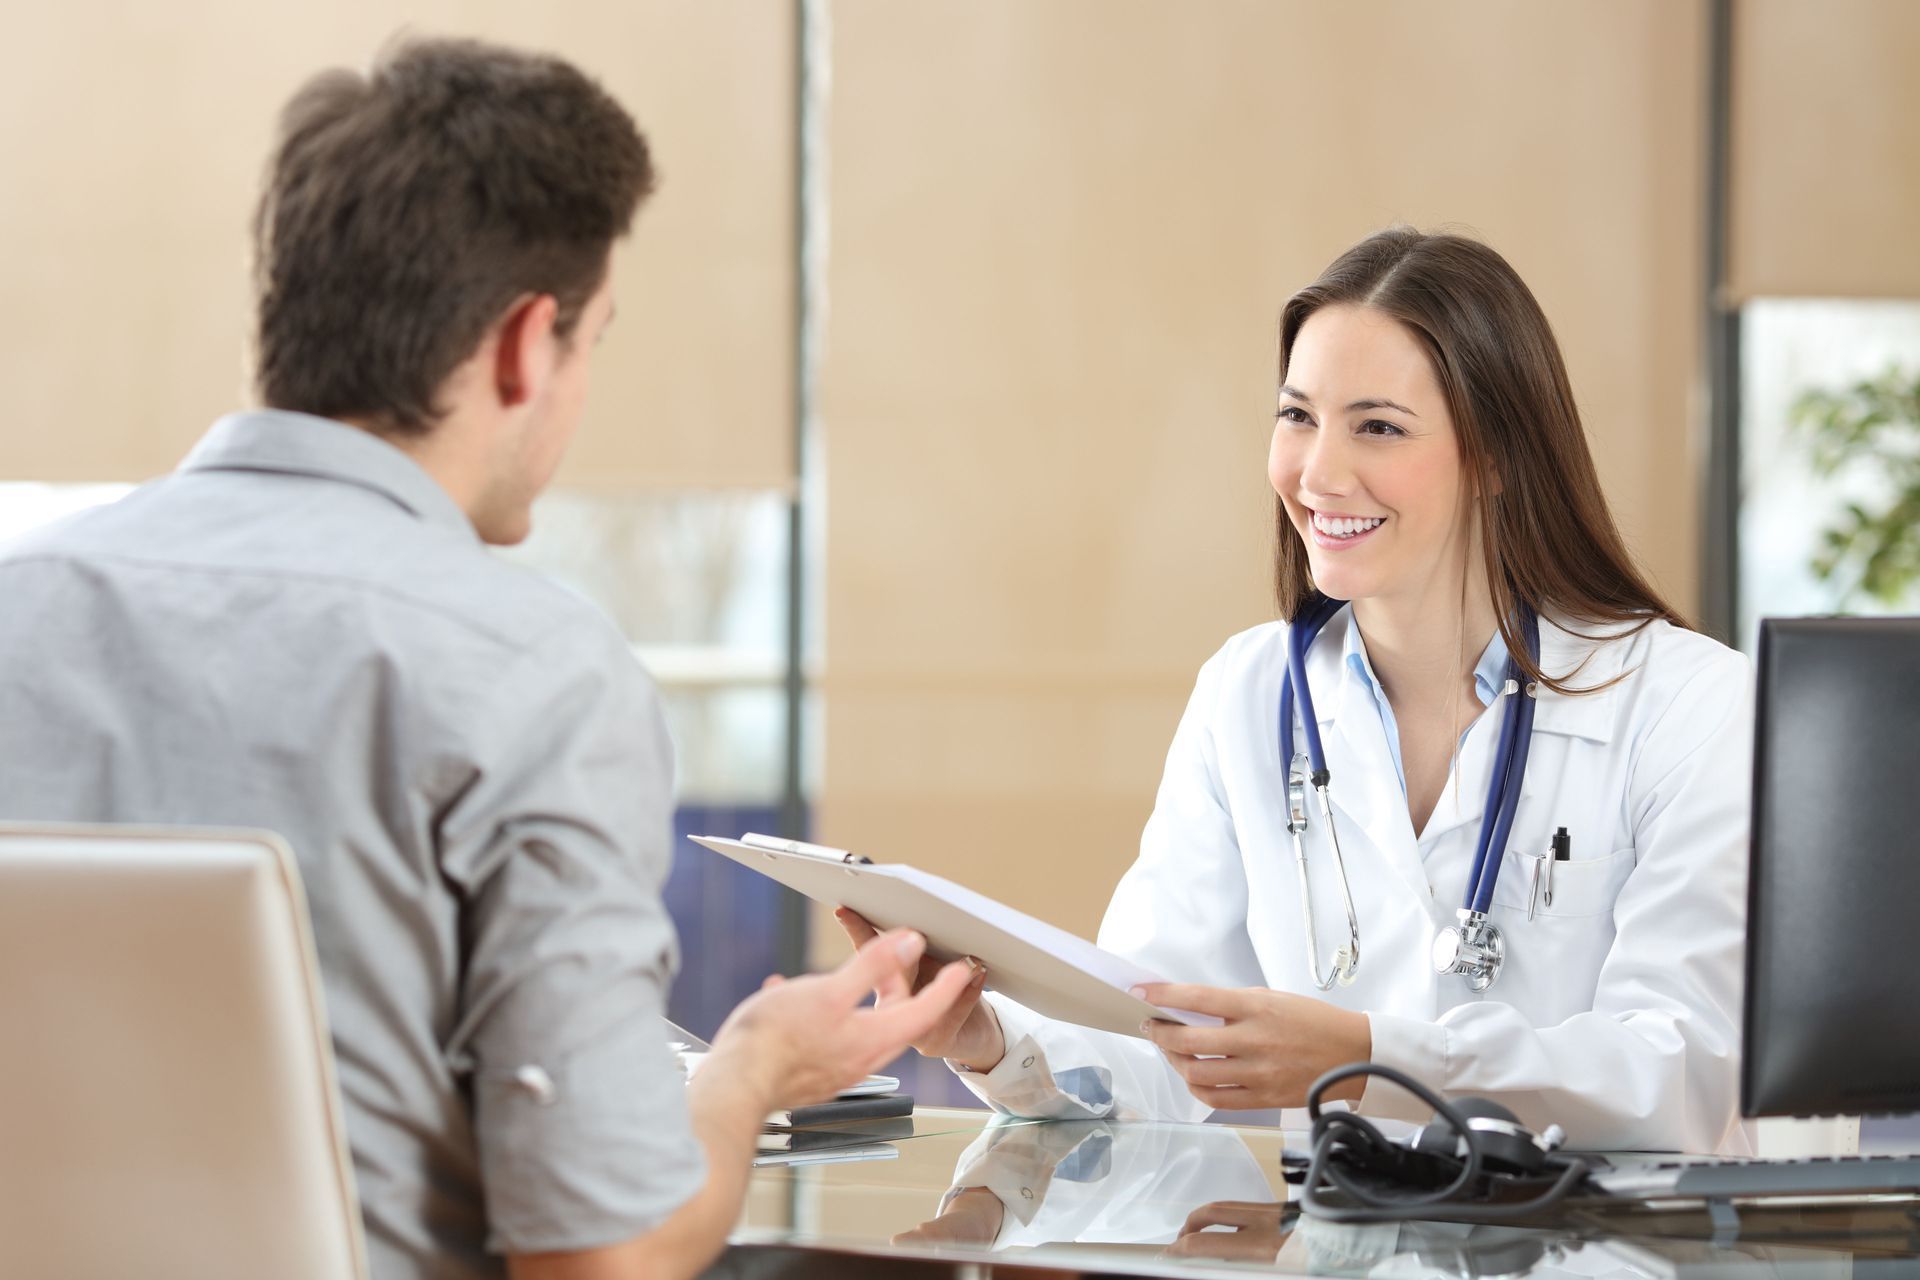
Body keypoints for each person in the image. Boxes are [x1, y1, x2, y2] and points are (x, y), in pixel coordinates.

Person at [0, 36, 971, 1280]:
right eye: (594, 343)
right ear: (525, 345)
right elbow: (602, 1257)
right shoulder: (530, 671)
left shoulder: (22, 600)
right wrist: (750, 1071)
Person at [841, 227, 1752, 1154]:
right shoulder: (1248, 693)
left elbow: (1678, 1076)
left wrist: (1369, 1059)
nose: (1317, 474)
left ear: (1498, 458)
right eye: (1297, 416)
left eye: (1378, 427)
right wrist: (987, 1039)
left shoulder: (1687, 707)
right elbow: (1154, 1036)